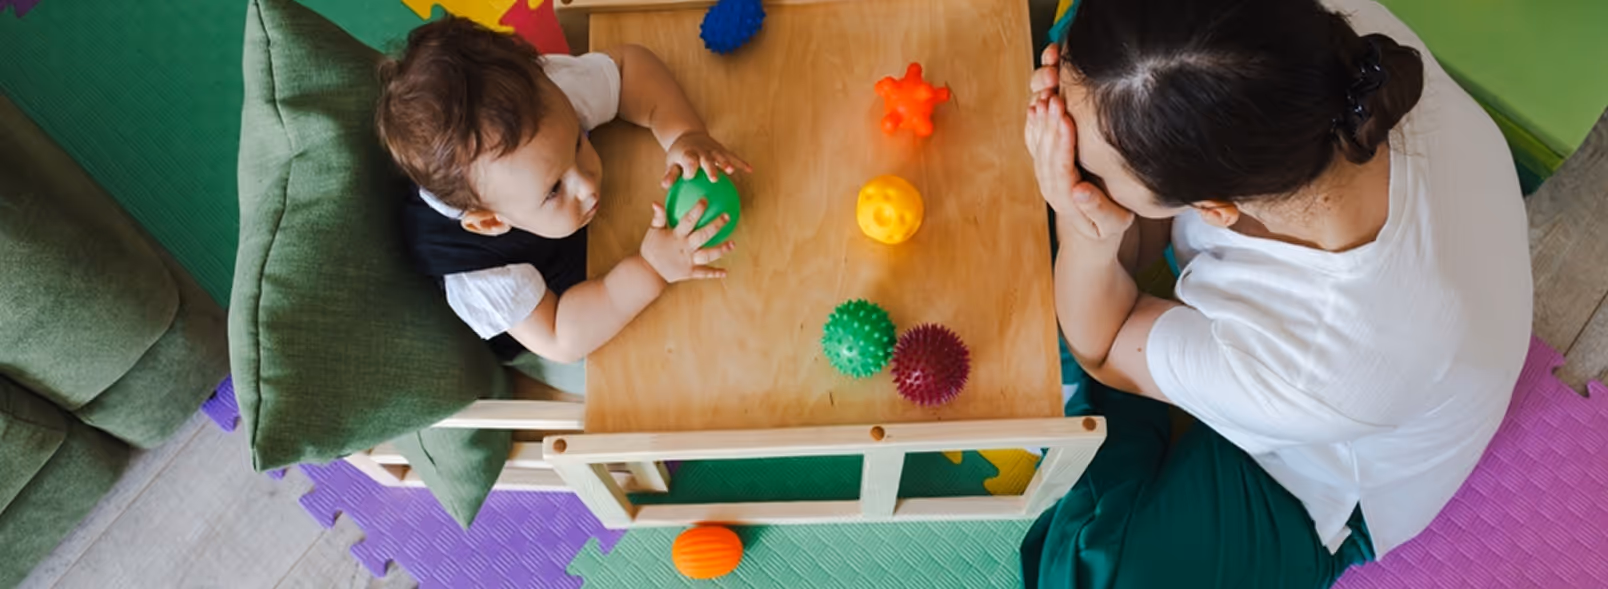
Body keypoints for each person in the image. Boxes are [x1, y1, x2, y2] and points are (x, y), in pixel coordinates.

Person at [1021, 0, 1532, 586]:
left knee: (1097, 572)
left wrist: (1080, 218)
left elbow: (1105, 347)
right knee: (1098, 57)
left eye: (1100, 172)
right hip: (1374, 337)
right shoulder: (1309, 50)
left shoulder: (1328, 361)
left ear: (1215, 209)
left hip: (1324, 471)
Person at [376, 18, 750, 365]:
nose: (587, 185)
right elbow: (560, 336)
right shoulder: (477, 272)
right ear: (491, 221)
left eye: (576, 144)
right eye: (554, 189)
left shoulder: (543, 101)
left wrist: (683, 134)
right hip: (561, 300)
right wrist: (650, 269)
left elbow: (627, 67)